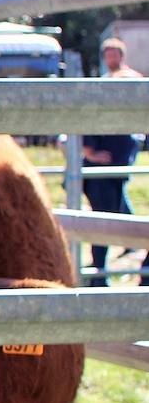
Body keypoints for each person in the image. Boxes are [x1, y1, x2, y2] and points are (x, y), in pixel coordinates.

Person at [82, 38, 143, 286]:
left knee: (111, 220)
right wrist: (91, 154)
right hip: (100, 175)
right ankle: (98, 276)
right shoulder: (105, 105)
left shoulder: (130, 80)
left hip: (116, 174)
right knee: (102, 225)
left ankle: (101, 273)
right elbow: (84, 136)